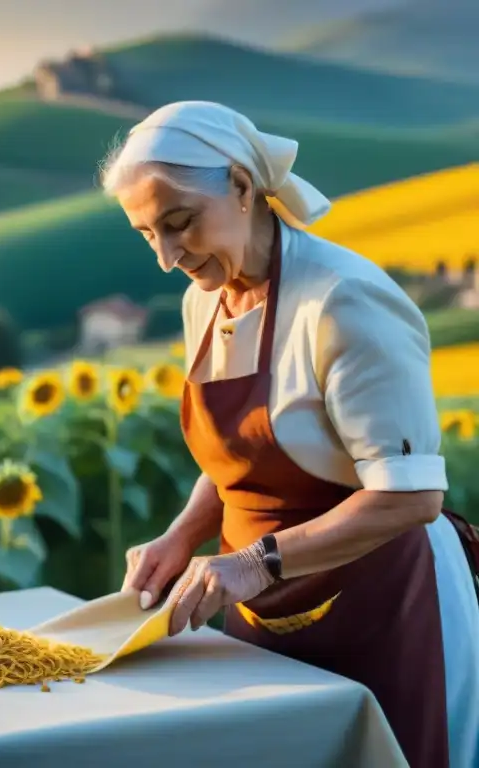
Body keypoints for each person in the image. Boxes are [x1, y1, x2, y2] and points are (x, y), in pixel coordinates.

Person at [106, 101, 479, 768]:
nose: (165, 256)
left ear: (243, 188)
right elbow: (244, 459)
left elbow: (410, 498)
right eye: (145, 234)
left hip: (385, 603)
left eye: (179, 223)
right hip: (258, 614)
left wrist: (252, 563)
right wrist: (182, 535)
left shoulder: (344, 300)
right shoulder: (205, 299)